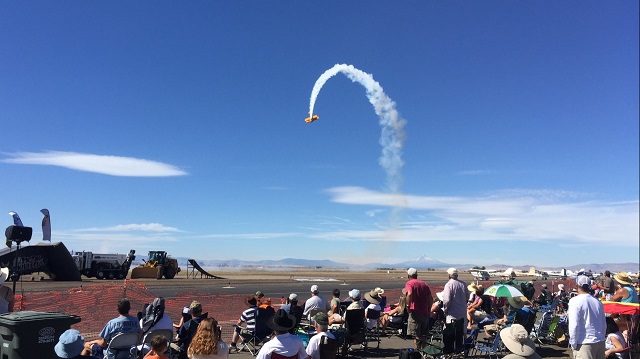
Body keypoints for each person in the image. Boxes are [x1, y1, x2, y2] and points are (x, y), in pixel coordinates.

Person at [568, 275, 606, 359]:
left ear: (577, 285)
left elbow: (574, 324)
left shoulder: (575, 301)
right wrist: (602, 337)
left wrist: (573, 343)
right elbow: (603, 323)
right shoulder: (597, 301)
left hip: (584, 342)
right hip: (599, 341)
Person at [405, 268, 433, 350]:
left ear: (408, 275)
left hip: (415, 311)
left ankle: (418, 351)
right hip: (424, 311)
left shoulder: (409, 283)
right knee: (423, 334)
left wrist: (407, 306)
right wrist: (429, 309)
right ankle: (424, 351)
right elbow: (430, 298)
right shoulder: (424, 284)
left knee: (416, 334)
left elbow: (409, 294)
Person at [442, 267, 467, 354]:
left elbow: (446, 300)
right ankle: (459, 351)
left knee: (450, 335)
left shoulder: (449, 285)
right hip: (462, 313)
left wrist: (445, 309)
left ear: (449, 275)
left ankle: (450, 352)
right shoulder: (463, 284)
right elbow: (467, 297)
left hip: (452, 314)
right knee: (459, 335)